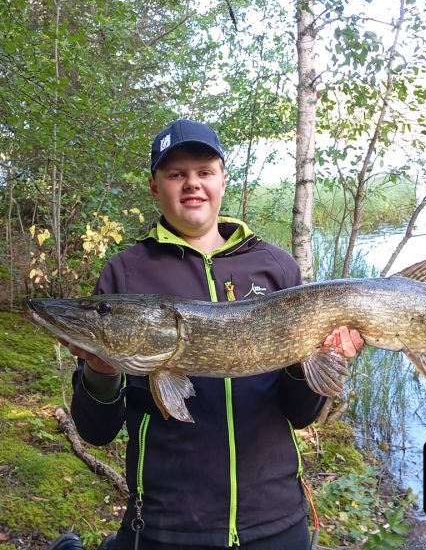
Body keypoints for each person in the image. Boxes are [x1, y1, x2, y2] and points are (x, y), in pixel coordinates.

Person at [48, 119, 364, 550]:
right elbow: (96, 431)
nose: (192, 184)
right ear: (155, 186)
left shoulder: (276, 266)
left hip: (276, 518)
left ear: (222, 180)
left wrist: (318, 358)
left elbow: (301, 414)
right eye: (176, 174)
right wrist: (101, 371)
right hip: (168, 523)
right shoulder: (126, 273)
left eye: (204, 172)